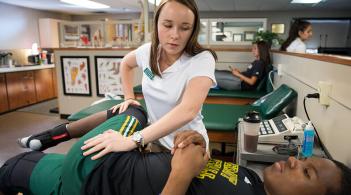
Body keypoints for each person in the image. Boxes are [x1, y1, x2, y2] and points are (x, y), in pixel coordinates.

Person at [18, 0, 217, 158]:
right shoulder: (148, 52)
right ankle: (49, 137)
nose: (174, 35)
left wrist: (133, 140)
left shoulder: (201, 59)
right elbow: (125, 64)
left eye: (184, 27)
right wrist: (128, 96)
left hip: (185, 145)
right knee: (128, 108)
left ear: (193, 30)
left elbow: (188, 110)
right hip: (154, 141)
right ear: (156, 24)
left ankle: (49, 137)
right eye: (167, 25)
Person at [1, 123, 351, 195]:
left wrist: (180, 174)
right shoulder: (252, 180)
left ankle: (49, 135)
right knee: (12, 167)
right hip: (109, 164)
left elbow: (182, 180)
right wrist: (189, 144)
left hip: (99, 174)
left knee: (132, 109)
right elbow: (198, 169)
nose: (293, 161)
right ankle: (39, 143)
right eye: (303, 159)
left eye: (306, 172)